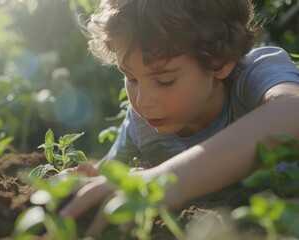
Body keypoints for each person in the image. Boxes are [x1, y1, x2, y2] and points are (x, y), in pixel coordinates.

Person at [59, 0, 299, 236]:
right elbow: (108, 175)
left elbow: (292, 109)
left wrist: (168, 179)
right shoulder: (142, 122)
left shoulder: (254, 74)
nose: (143, 101)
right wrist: (82, 181)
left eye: (164, 81)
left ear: (220, 61)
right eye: (131, 78)